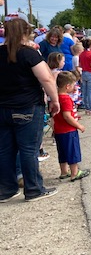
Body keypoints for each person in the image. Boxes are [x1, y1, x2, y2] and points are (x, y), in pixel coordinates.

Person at [0, 18, 60, 202]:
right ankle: (33, 189)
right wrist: (55, 100)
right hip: (27, 107)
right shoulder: (29, 54)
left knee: (5, 150)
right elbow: (47, 79)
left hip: (2, 108)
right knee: (28, 150)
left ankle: (6, 189)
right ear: (25, 33)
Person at [53, 71, 90, 182]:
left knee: (63, 152)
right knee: (72, 151)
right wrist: (78, 125)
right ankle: (75, 172)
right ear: (67, 86)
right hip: (68, 130)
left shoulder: (56, 98)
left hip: (58, 130)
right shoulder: (66, 99)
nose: (74, 87)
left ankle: (64, 172)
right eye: (73, 85)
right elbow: (67, 116)